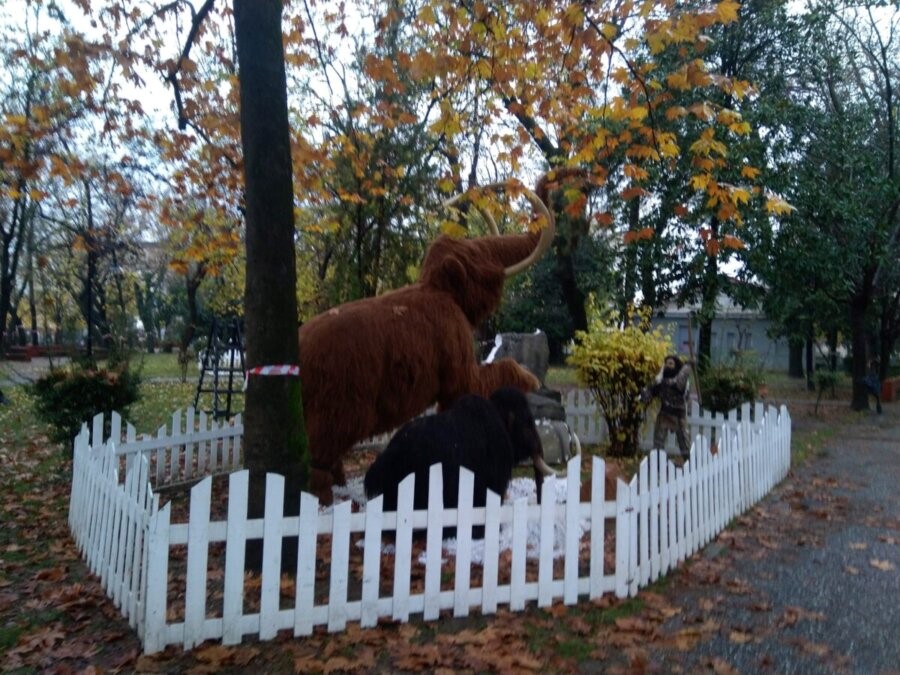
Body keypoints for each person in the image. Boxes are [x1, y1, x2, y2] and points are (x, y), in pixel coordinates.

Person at [642, 354, 693, 461]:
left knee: (684, 443)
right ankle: (657, 462)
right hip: (664, 414)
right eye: (666, 363)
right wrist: (645, 393)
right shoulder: (661, 380)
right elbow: (652, 391)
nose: (667, 366)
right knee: (658, 441)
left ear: (676, 366)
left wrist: (687, 367)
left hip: (679, 416)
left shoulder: (681, 382)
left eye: (671, 363)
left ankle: (689, 463)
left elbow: (678, 384)